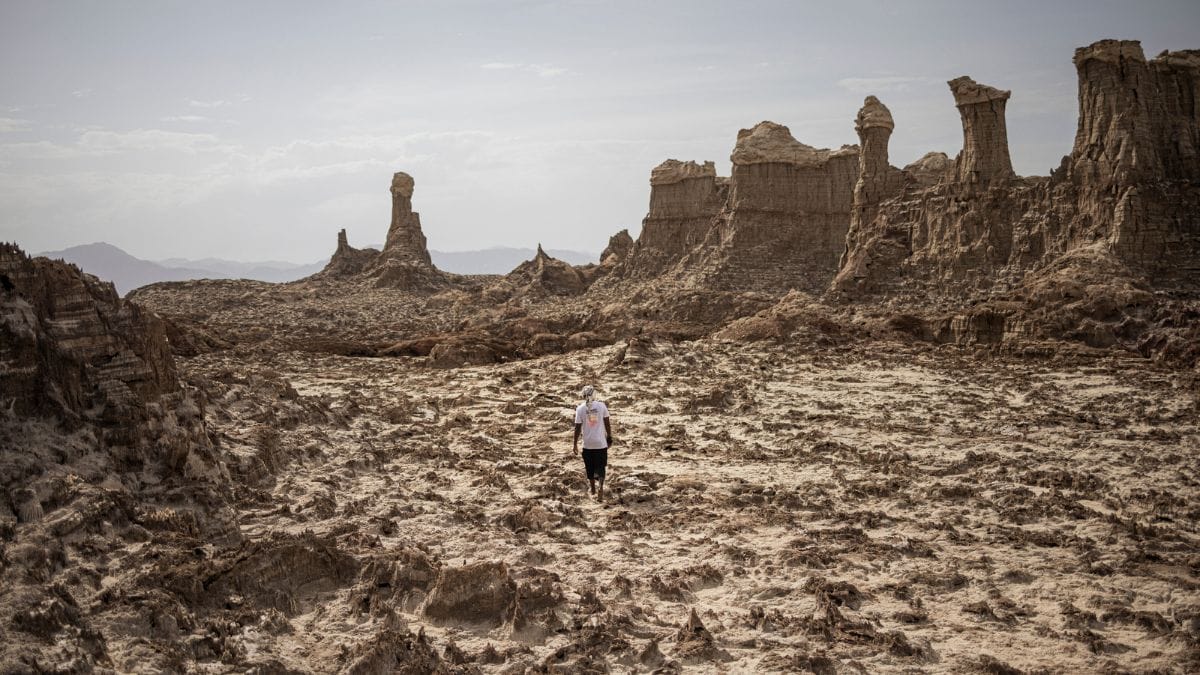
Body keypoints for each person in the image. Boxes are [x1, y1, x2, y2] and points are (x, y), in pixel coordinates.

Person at [573, 385, 612, 501]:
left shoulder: (580, 409)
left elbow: (577, 428)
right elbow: (607, 423)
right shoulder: (601, 406)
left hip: (587, 444)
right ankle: (600, 487)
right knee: (601, 467)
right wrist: (609, 437)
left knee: (589, 467)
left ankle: (593, 489)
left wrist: (574, 444)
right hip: (600, 443)